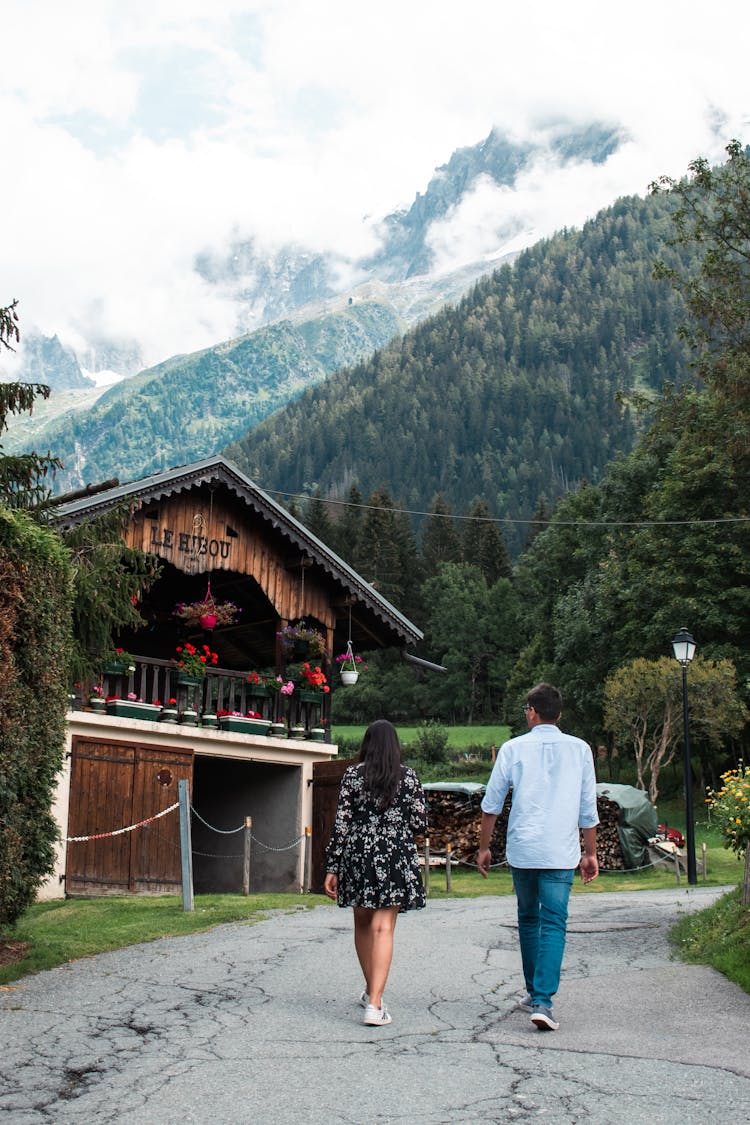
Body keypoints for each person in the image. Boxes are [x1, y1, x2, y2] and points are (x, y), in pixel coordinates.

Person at [477, 683, 599, 1032]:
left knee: (529, 918)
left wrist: (485, 847)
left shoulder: (513, 749)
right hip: (560, 850)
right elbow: (587, 807)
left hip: (524, 849)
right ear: (558, 714)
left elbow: (492, 803)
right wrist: (590, 852)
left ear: (532, 711)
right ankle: (543, 1000)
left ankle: (534, 995)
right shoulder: (580, 750)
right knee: (554, 922)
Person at [324, 719, 427, 1027]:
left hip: (358, 855)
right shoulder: (408, 778)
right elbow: (420, 824)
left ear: (366, 744)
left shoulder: (352, 776)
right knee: (383, 927)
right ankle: (375, 1003)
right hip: (395, 855)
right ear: (395, 746)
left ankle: (372, 991)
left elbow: (341, 822)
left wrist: (332, 866)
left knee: (362, 922)